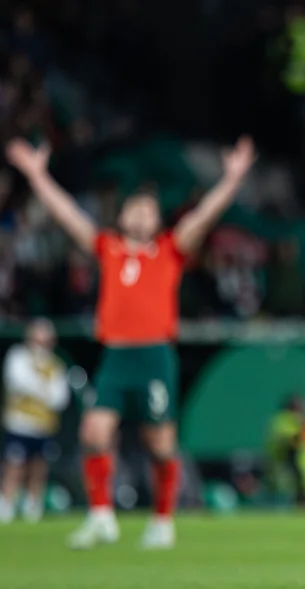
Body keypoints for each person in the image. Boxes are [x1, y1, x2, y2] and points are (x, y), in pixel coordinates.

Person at [5, 135, 256, 550]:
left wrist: (231, 179)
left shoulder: (170, 250)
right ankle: (101, 516)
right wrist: (36, 174)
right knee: (93, 433)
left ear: (157, 220)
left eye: (147, 210)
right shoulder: (109, 248)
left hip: (155, 356)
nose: (139, 215)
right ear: (121, 215)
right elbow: (68, 214)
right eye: (132, 208)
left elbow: (204, 217)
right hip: (116, 356)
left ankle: (162, 519)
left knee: (160, 445)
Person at [0, 319, 70, 524]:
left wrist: (40, 391)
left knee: (38, 466)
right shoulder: (18, 357)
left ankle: (33, 504)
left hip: (43, 426)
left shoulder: (56, 364)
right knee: (15, 465)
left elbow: (60, 397)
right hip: (19, 423)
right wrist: (44, 390)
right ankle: (7, 502)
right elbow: (18, 382)